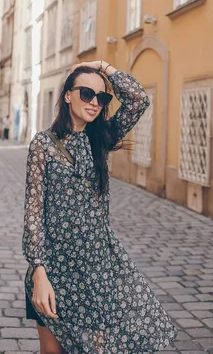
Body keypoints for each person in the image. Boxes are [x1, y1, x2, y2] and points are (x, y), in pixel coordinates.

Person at [22, 60, 178, 354]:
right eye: (85, 94)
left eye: (101, 97)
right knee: (52, 351)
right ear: (67, 95)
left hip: (98, 267)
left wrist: (103, 67)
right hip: (55, 267)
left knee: (98, 347)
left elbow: (138, 99)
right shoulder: (43, 144)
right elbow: (33, 212)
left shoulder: (101, 139)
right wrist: (38, 270)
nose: (94, 102)